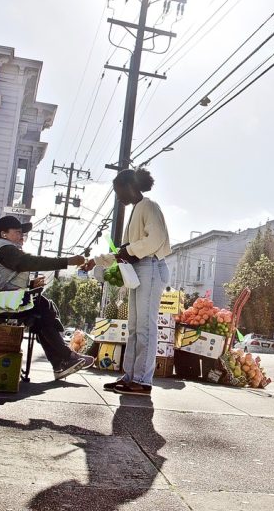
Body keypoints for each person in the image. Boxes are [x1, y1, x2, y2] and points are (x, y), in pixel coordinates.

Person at [0, 215, 95, 380]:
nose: (22, 237)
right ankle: (64, 358)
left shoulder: (2, 248)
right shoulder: (4, 248)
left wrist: (29, 285)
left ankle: (61, 362)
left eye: (23, 233)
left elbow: (5, 279)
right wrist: (67, 261)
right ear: (3, 233)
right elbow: (29, 261)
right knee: (42, 306)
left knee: (41, 310)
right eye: (18, 232)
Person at [104, 168, 171, 396]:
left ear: (130, 187)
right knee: (133, 327)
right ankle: (130, 376)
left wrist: (128, 250)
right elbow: (129, 249)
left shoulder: (149, 206)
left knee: (145, 326)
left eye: (119, 191)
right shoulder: (137, 209)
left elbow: (155, 238)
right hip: (139, 269)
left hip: (151, 267)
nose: (118, 196)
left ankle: (143, 380)